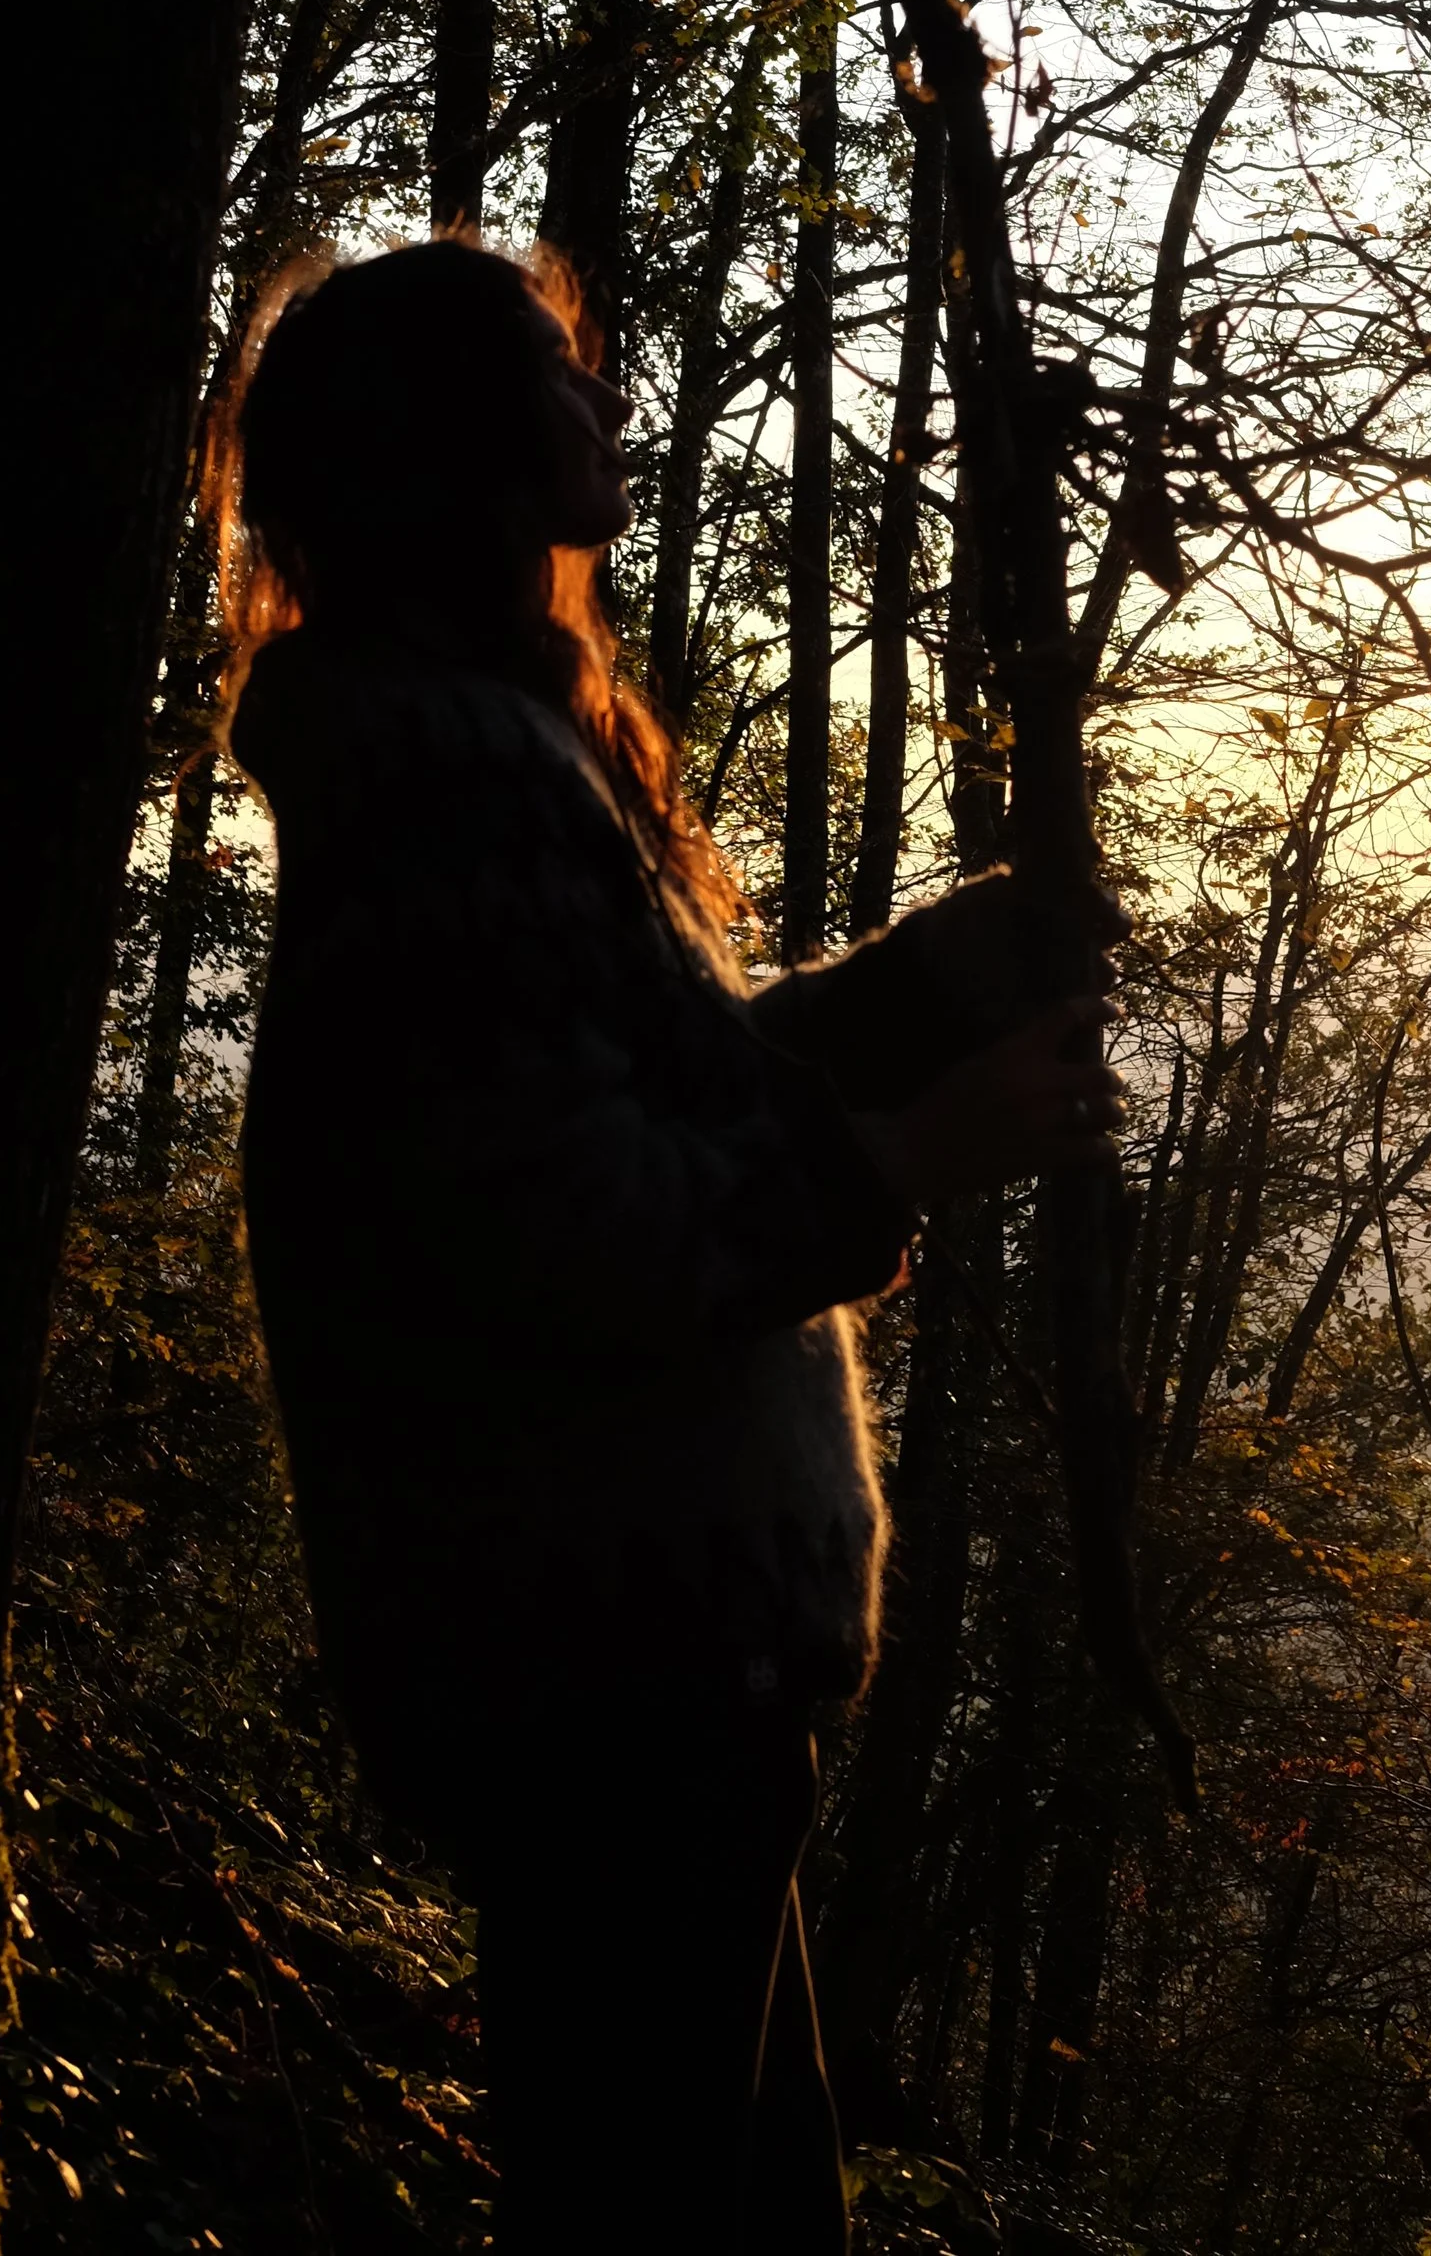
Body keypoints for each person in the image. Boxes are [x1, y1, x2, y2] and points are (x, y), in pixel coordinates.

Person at [226, 237, 1124, 2254]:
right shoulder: (451, 791)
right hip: (611, 1664)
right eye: (555, 368)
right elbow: (570, 1226)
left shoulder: (481, 756)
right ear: (458, 444)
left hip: (632, 1651)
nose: (599, 399)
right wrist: (905, 1151)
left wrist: (924, 984)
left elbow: (644, 1094)